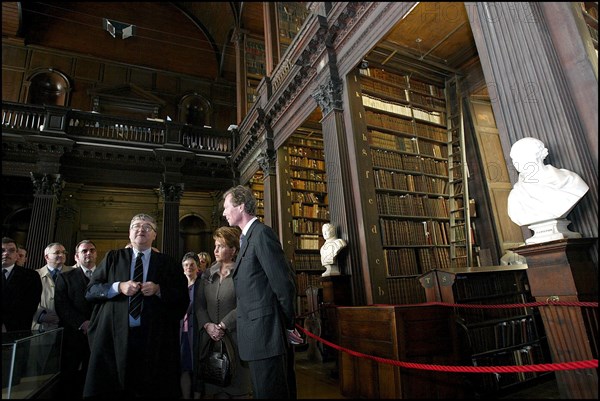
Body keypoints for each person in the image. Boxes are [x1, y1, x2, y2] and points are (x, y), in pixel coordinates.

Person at [83, 213, 189, 398]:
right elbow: (91, 291)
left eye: (147, 227)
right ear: (129, 233)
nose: (141, 229)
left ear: (155, 235)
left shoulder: (168, 262)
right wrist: (119, 287)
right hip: (115, 339)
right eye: (136, 226)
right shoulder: (113, 258)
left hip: (154, 341)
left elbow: (182, 298)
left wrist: (159, 290)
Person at [222, 185, 303, 399]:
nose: (223, 212)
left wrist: (286, 325)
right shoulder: (246, 239)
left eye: (226, 207)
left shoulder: (262, 234)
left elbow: (283, 284)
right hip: (257, 336)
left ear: (240, 206)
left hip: (267, 334)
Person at [196, 226, 252, 399]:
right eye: (215, 245)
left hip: (235, 338)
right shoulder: (207, 275)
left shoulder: (243, 273)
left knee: (237, 389)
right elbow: (199, 305)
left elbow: (245, 304)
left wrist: (223, 325)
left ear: (233, 249)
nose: (216, 250)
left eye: (221, 246)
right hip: (209, 341)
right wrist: (208, 325)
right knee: (212, 389)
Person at [507, 137, 589, 226]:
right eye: (513, 158)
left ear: (537, 155)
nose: (515, 161)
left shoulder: (571, 180)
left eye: (520, 155)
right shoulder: (516, 195)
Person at [54, 239, 97, 398]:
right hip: (74, 334)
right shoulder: (65, 277)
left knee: (94, 374)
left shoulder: (106, 276)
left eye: (92, 250)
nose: (88, 254)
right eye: (84, 251)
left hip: (99, 333)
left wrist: (96, 324)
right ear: (76, 256)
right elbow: (62, 305)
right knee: (69, 375)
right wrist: (82, 323)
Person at [2, 237, 42, 332]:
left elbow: (30, 306)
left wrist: (6, 325)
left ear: (16, 255)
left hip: (17, 331)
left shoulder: (31, 276)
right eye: (2, 250)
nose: (6, 253)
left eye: (11, 250)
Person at [32, 242, 73, 332]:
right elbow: (27, 301)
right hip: (41, 327)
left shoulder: (74, 273)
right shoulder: (34, 275)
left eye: (63, 252)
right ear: (46, 256)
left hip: (68, 327)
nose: (61, 255)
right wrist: (40, 315)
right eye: (57, 252)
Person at [180, 252, 201, 399]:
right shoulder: (179, 287)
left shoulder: (203, 285)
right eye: (186, 265)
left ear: (197, 268)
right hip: (182, 334)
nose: (189, 267)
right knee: (184, 368)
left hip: (198, 333)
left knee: (197, 369)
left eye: (192, 265)